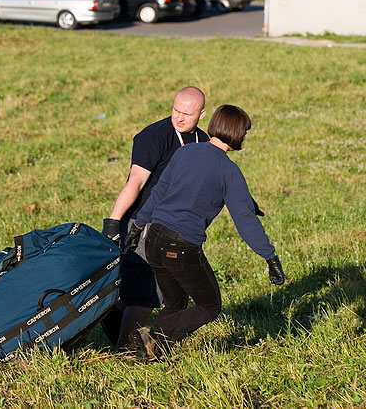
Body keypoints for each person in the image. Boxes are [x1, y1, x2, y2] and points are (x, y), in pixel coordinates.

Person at [124, 104, 285, 359]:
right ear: (236, 133)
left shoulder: (186, 152)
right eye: (244, 132)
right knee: (209, 306)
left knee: (176, 305)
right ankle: (150, 335)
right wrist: (270, 257)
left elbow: (160, 191)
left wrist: (139, 225)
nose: (244, 137)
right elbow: (245, 221)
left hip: (154, 239)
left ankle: (147, 354)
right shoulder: (229, 170)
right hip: (181, 247)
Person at [101, 86, 209, 348]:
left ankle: (113, 319)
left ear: (202, 114)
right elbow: (135, 182)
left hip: (175, 228)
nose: (179, 118)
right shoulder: (154, 136)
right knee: (147, 292)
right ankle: (126, 349)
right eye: (176, 111)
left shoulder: (202, 142)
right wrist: (114, 223)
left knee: (140, 289)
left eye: (187, 114)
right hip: (143, 223)